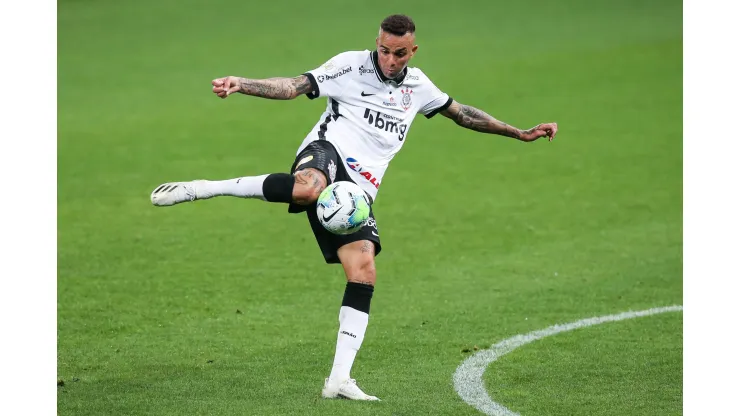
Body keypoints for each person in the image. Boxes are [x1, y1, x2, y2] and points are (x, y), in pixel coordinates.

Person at [150, 14, 557, 401]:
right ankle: (205, 187)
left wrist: (518, 133)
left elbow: (462, 113)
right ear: (376, 43)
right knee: (307, 189)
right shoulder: (349, 66)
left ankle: (340, 379)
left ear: (413, 51)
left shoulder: (418, 87)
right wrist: (242, 82)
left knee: (363, 271)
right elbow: (293, 86)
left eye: (399, 53)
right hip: (328, 153)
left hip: (359, 192)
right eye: (384, 50)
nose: (390, 59)